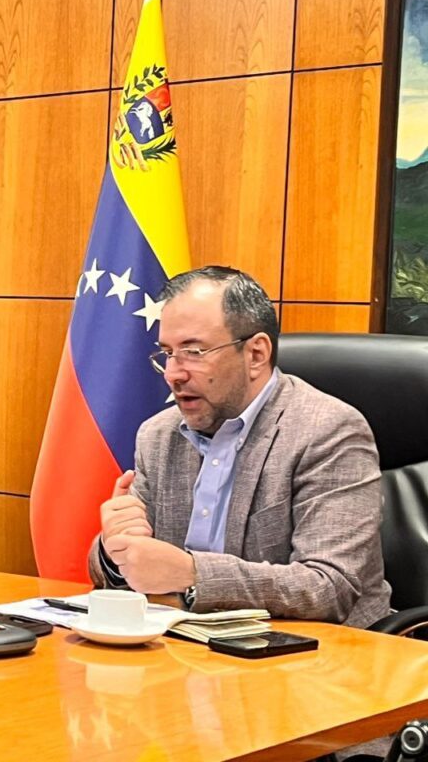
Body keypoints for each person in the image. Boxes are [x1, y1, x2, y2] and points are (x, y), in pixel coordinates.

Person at [87, 266, 390, 627]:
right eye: (168, 352)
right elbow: (137, 571)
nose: (173, 373)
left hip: (318, 661)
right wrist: (115, 547)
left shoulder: (328, 431)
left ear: (257, 354)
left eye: (194, 351)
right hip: (191, 651)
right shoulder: (158, 435)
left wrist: (192, 574)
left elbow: (329, 587)